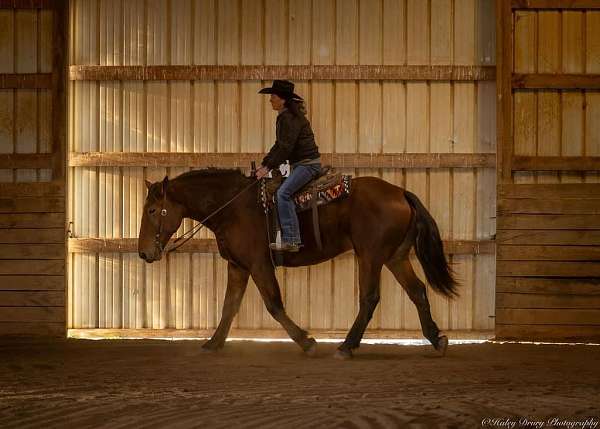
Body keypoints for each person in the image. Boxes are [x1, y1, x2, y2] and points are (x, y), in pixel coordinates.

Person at [256, 80, 321, 252]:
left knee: (282, 194)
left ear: (282, 100)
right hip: (302, 164)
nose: (270, 99)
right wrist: (265, 164)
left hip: (308, 165)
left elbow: (285, 148)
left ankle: (291, 239)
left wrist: (267, 168)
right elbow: (279, 145)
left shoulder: (289, 118)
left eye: (273, 96)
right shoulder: (286, 117)